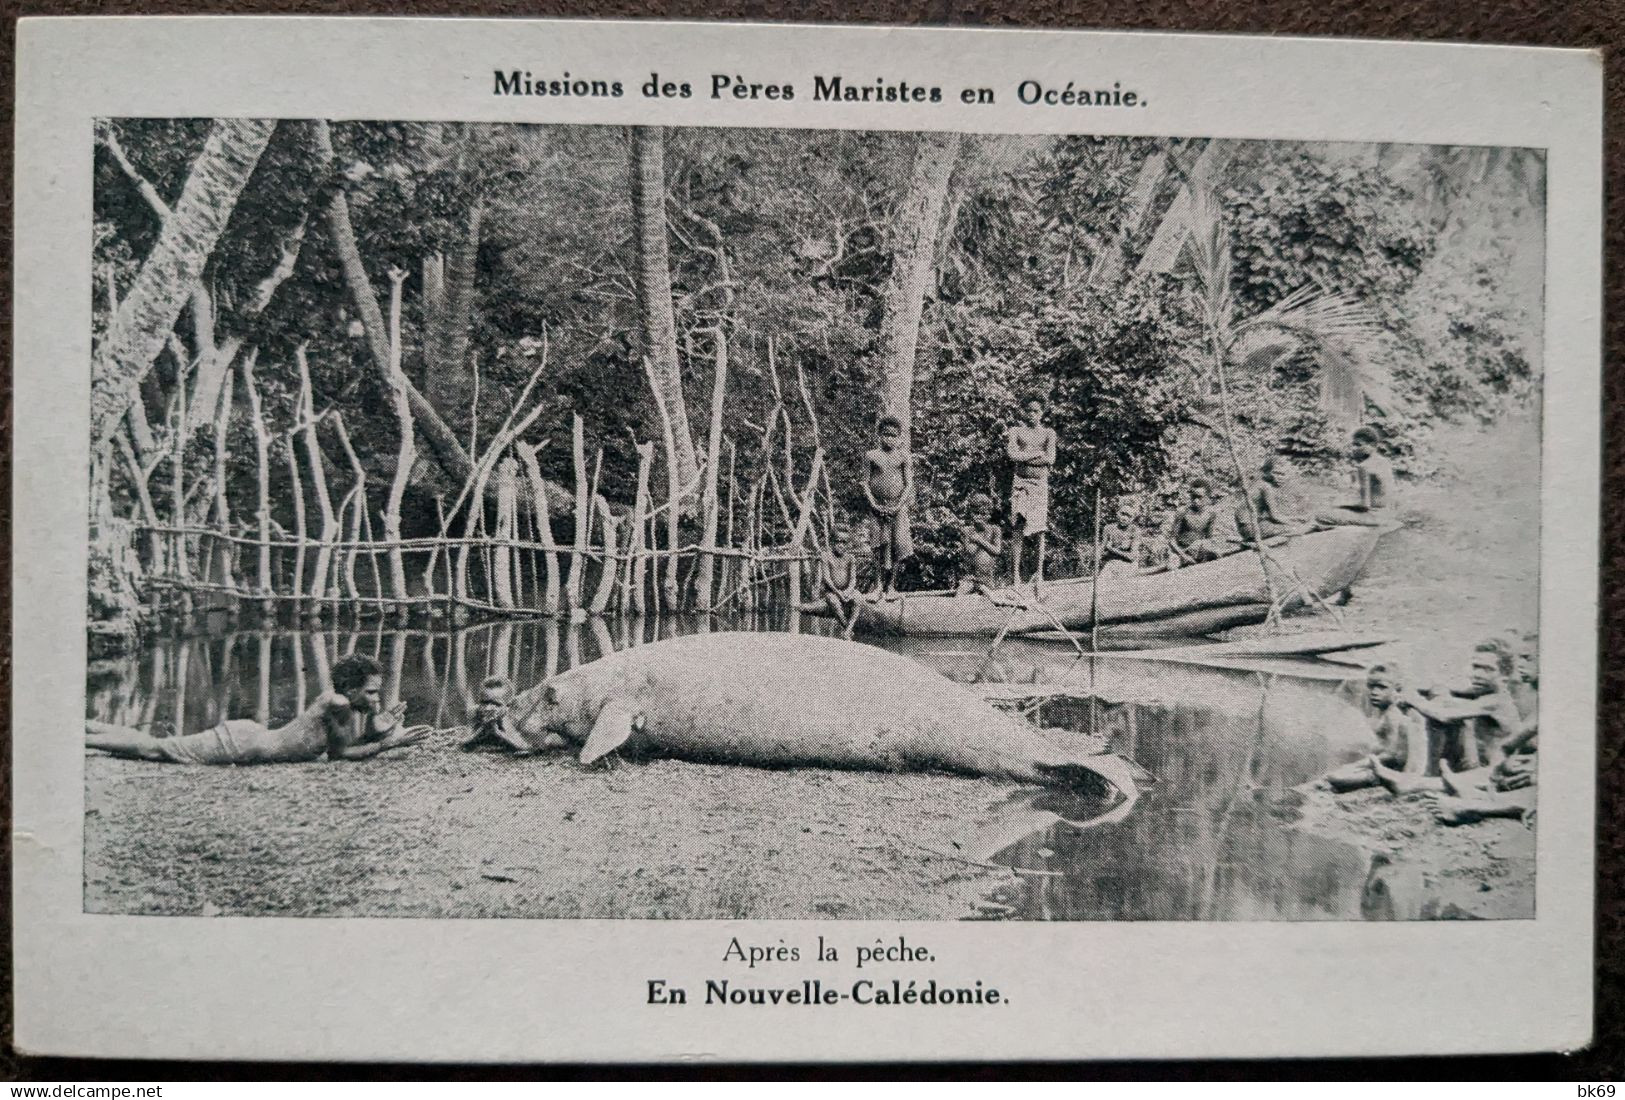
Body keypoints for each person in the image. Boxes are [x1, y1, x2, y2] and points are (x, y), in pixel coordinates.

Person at [86, 653, 429, 764]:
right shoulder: (338, 705)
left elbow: (340, 750)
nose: (375, 700)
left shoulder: (337, 703)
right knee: (154, 750)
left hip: (249, 738)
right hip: (243, 743)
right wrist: (387, 743)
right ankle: (84, 738)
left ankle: (88, 729)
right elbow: (339, 759)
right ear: (351, 689)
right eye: (370, 693)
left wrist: (374, 729)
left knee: (156, 746)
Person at [1369, 641, 1523, 794]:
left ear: (1505, 678)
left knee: (1436, 713)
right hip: (1483, 768)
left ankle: (1411, 780)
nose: (1477, 674)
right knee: (1440, 702)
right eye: (1476, 667)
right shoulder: (1485, 696)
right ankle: (1414, 776)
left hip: (1499, 772)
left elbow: (1445, 716)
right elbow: (1447, 693)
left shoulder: (1498, 702)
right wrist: (1428, 691)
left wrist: (1414, 699)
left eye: (1487, 669)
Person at [1325, 663, 1421, 792]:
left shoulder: (1393, 714)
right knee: (1336, 773)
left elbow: (1392, 755)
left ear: (1396, 689)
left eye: (1382, 687)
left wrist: (1358, 765)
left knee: (1335, 777)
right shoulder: (1386, 711)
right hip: (1382, 766)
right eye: (1371, 687)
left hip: (1391, 772)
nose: (1374, 692)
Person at [1006, 397, 1056, 586]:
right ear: (1023, 412)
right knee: (1018, 526)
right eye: (1029, 411)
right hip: (1020, 482)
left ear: (1042, 413)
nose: (1032, 415)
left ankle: (1039, 574)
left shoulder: (1048, 433)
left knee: (1040, 529)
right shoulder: (1016, 431)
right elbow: (1012, 455)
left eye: (1036, 411)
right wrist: (1035, 455)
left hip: (1040, 484)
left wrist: (1024, 457)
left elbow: (1050, 459)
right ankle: (1016, 575)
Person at [863, 415, 914, 598]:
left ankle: (891, 586)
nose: (889, 439)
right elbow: (865, 483)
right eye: (885, 435)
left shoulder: (903, 457)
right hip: (877, 509)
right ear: (879, 435)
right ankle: (877, 587)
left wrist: (898, 505)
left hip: (897, 509)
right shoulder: (871, 456)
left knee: (898, 545)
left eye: (893, 435)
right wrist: (874, 505)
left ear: (899, 437)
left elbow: (908, 484)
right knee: (878, 546)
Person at [1316, 426, 1395, 527]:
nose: (1354, 448)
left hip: (1375, 518)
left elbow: (1364, 505)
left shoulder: (1365, 466)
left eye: (1358, 445)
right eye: (1353, 445)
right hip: (1387, 514)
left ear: (1371, 445)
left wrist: (1341, 506)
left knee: (1321, 514)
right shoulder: (1385, 462)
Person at [1237, 456, 1310, 544]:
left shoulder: (1260, 483)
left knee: (1296, 526)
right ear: (1267, 472)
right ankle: (1261, 543)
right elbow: (1275, 516)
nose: (1279, 477)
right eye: (1276, 473)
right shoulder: (1265, 487)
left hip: (1251, 525)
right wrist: (1296, 520)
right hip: (1249, 528)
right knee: (1296, 528)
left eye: (1283, 474)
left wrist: (1296, 518)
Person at [810, 523, 865, 637]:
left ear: (848, 544)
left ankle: (848, 630)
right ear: (832, 542)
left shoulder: (850, 558)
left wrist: (848, 591)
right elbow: (827, 578)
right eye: (837, 542)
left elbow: (853, 579)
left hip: (847, 590)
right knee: (833, 600)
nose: (840, 545)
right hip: (832, 591)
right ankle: (846, 627)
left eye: (843, 542)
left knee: (858, 597)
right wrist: (838, 592)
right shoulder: (826, 556)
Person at [461, 674, 527, 752]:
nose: (488, 708)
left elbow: (524, 747)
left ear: (507, 706)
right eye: (484, 702)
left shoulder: (509, 715)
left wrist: (498, 732)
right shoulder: (474, 712)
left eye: (496, 704)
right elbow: (463, 741)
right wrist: (483, 728)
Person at [1166, 479, 1224, 567]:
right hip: (1182, 551)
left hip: (1198, 549)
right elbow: (1171, 541)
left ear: (1207, 497)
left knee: (1215, 552)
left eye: (1199, 497)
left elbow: (1209, 538)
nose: (1196, 500)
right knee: (1172, 565)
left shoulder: (1211, 514)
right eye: (1193, 497)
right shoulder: (1183, 513)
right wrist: (1184, 556)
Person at [956, 493, 1003, 594]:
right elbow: (969, 551)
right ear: (971, 513)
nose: (978, 517)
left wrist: (980, 540)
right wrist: (974, 538)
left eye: (982, 513)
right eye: (975, 513)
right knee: (960, 595)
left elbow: (997, 551)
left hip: (987, 579)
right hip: (971, 577)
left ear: (988, 514)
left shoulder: (995, 530)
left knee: (990, 599)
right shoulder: (967, 530)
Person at [1099, 501, 1144, 579]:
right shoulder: (1108, 528)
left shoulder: (1135, 531)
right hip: (1111, 563)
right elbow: (1101, 552)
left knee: (1120, 583)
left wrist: (1112, 549)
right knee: (1101, 581)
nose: (1124, 518)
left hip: (1128, 565)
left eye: (1129, 516)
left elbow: (1132, 557)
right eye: (1122, 514)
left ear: (1133, 518)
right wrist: (1100, 554)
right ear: (1117, 513)